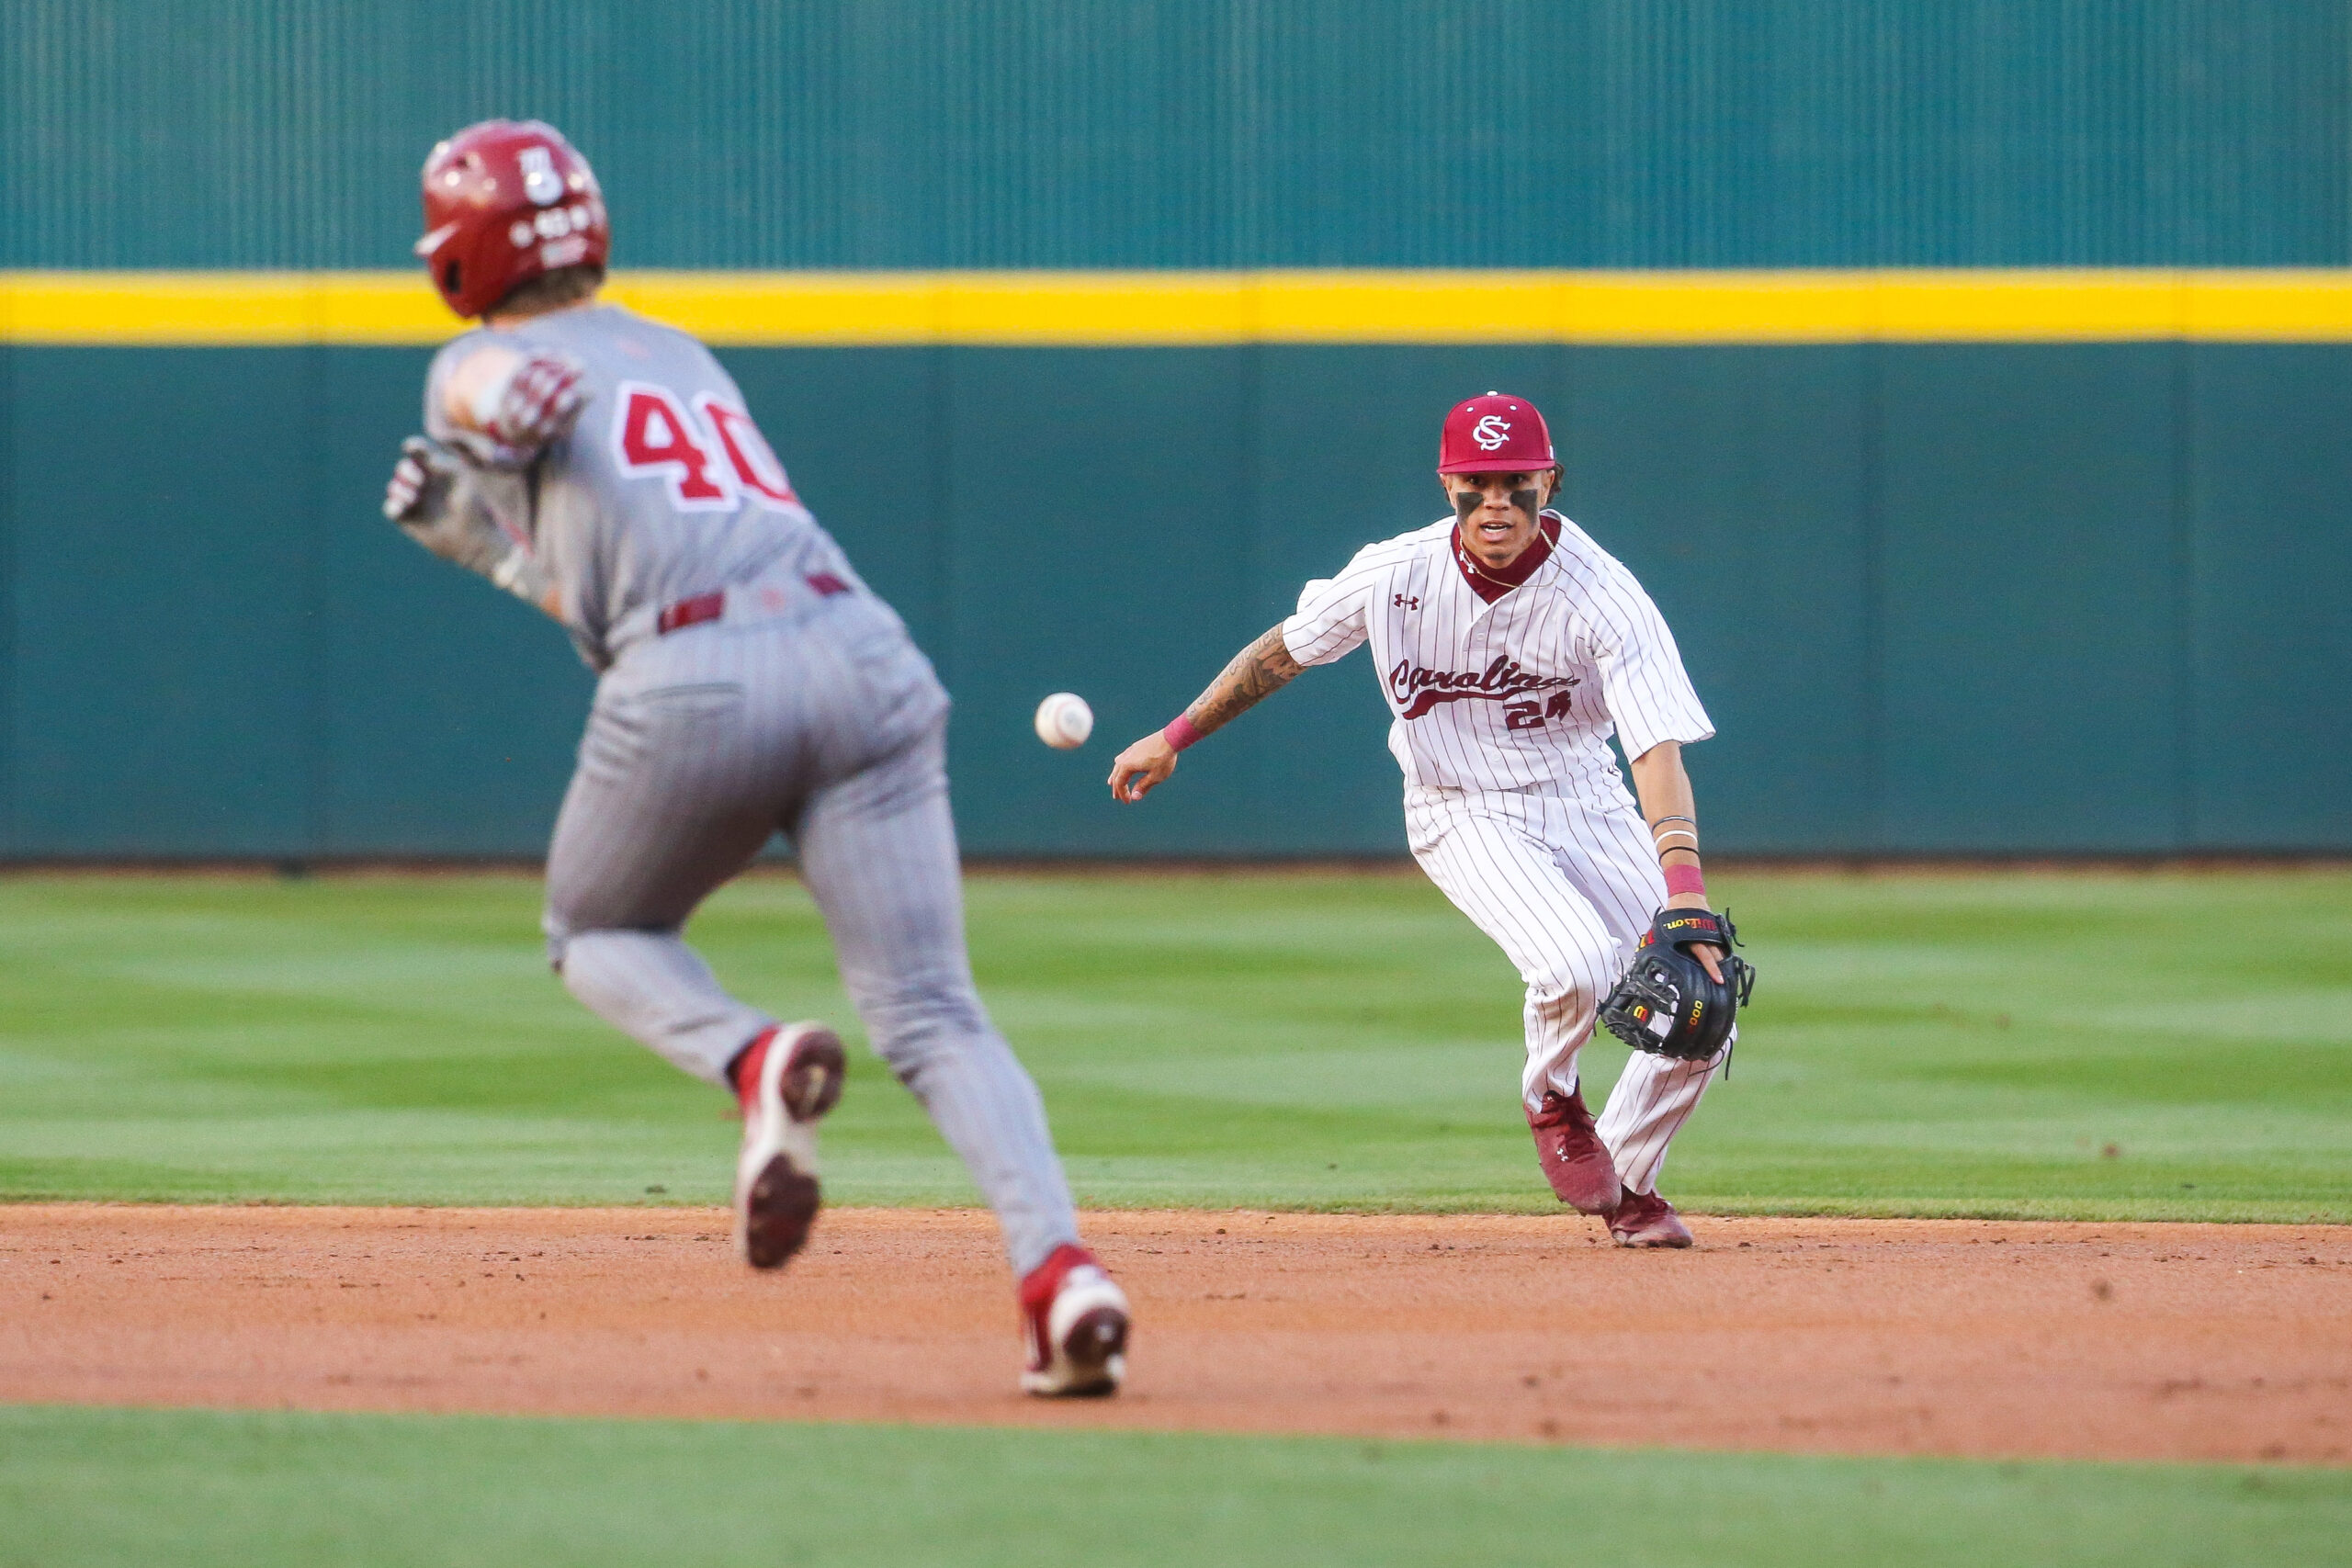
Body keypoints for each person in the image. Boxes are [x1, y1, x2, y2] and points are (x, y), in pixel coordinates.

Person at [382, 119, 1129, 1392]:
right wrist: (496, 544)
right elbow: (616, 570)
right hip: (864, 655)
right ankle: (1061, 1275)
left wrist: (493, 406)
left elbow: (486, 399)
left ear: (461, 253)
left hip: (697, 677)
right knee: (936, 1009)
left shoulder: (474, 357)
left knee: (595, 931)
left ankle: (749, 1054)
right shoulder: (682, 355)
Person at [1108, 392, 1731, 1247]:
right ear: (1449, 486)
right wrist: (1176, 734)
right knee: (1577, 965)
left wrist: (1686, 899)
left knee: (1702, 1013)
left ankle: (1624, 1185)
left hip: (1585, 801)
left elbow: (1655, 751)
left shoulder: (1605, 596)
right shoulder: (1395, 573)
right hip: (1458, 805)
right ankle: (1552, 1098)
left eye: (1515, 482)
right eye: (1477, 484)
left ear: (1548, 480)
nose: (1497, 503)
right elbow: (1281, 652)